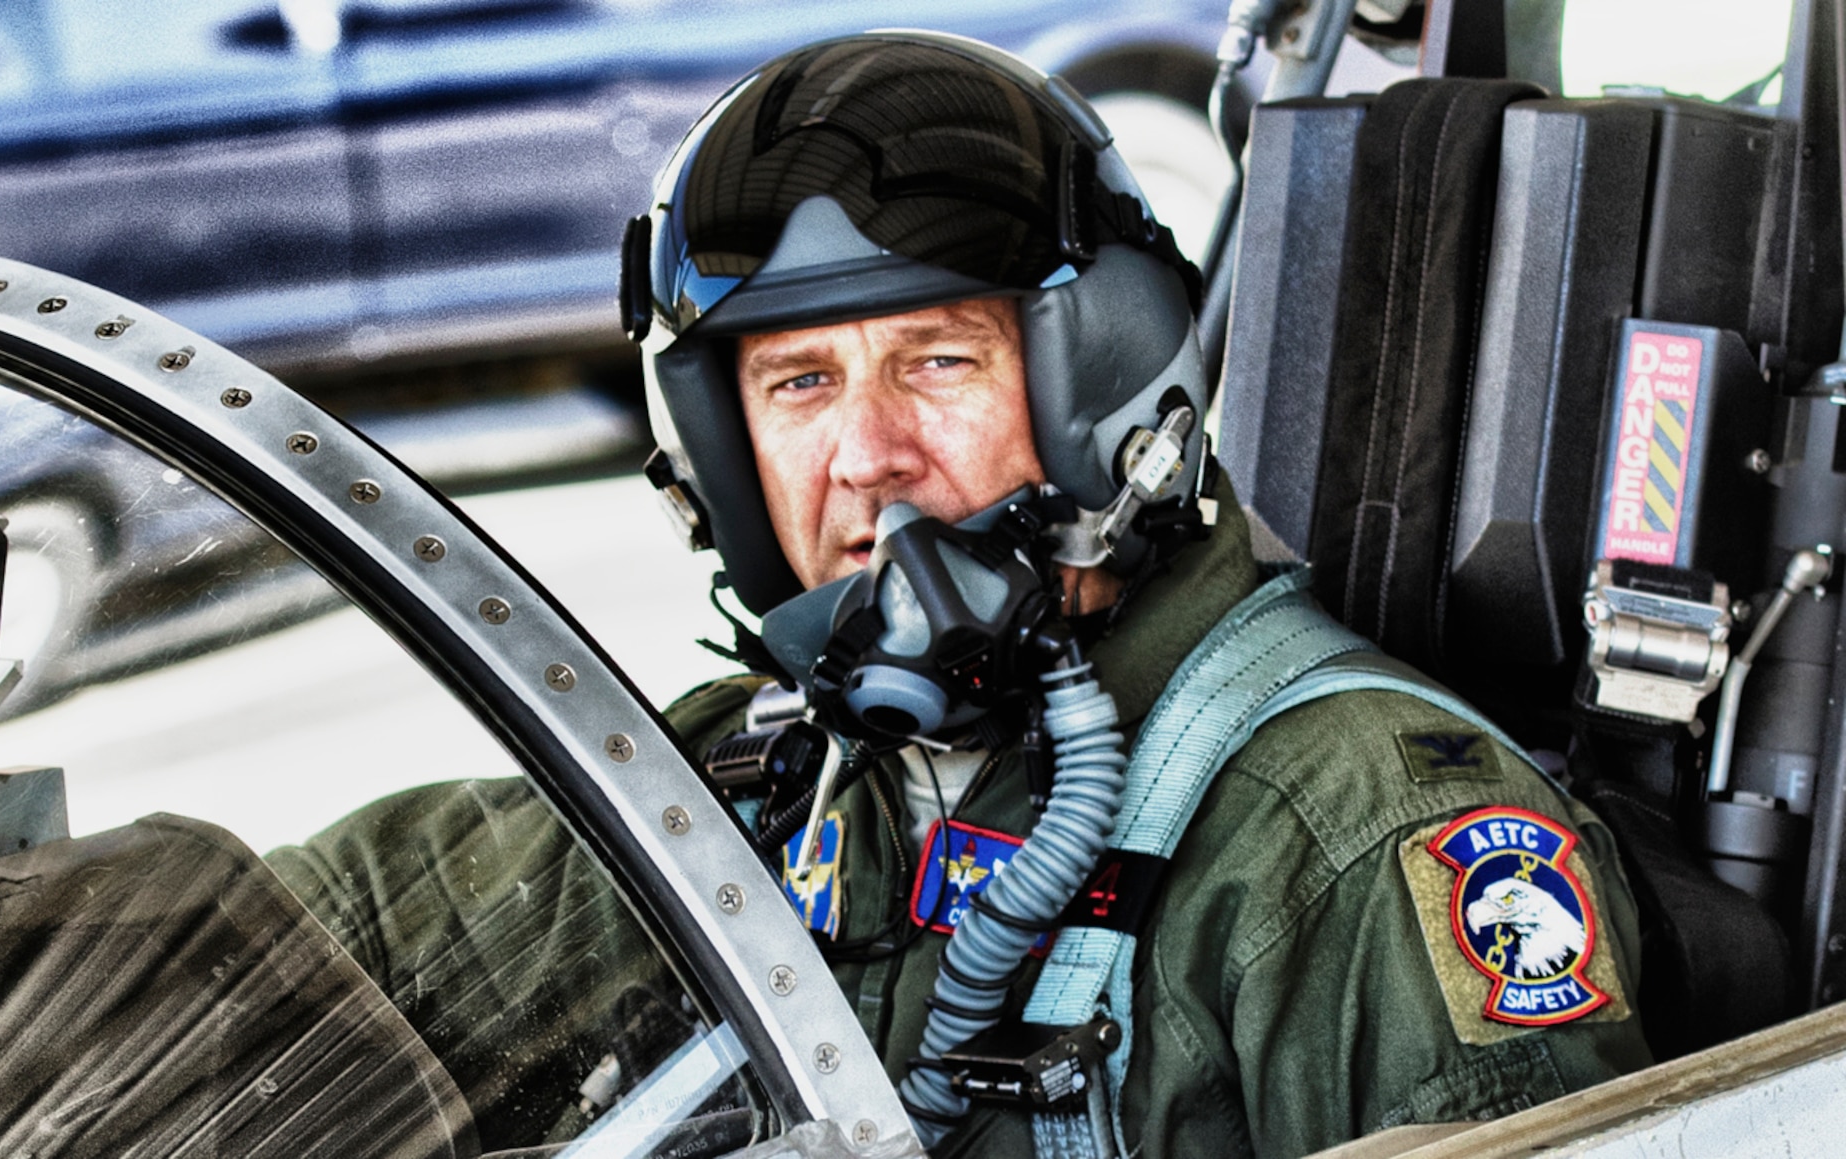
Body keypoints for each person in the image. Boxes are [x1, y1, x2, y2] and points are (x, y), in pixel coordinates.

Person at [273, 30, 1653, 1159]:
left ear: (1105, 392)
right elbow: (281, 941)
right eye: (800, 384)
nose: (867, 455)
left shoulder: (1358, 838)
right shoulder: (752, 783)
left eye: (938, 362)